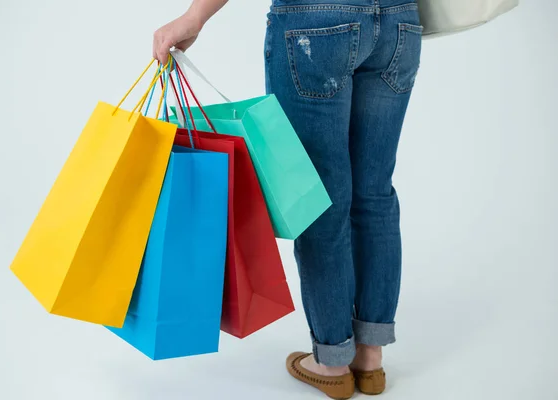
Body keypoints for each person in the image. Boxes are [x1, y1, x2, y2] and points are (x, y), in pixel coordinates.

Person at [153, 0, 422, 398]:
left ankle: (332, 361)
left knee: (321, 199)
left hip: (316, 24)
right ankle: (371, 356)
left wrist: (195, 16)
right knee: (375, 194)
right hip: (399, 21)